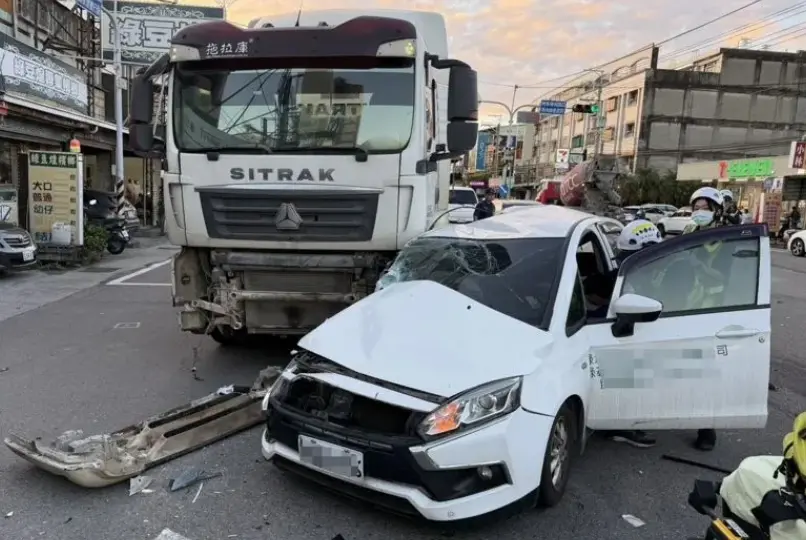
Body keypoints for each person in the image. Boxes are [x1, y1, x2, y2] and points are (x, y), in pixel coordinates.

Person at [603, 219, 663, 449]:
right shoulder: (621, 274)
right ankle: (622, 424)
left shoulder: (668, 272)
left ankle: (705, 427)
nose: (626, 263)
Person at [683, 186, 726, 452]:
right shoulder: (689, 232)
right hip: (685, 306)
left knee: (705, 373)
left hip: (712, 310)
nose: (699, 212)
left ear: (716, 211)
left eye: (704, 208)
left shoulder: (725, 239)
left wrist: (698, 266)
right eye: (696, 208)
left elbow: (725, 277)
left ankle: (706, 428)